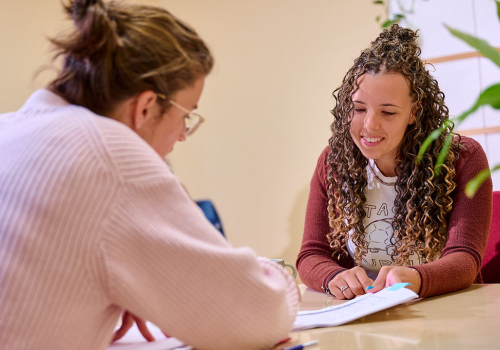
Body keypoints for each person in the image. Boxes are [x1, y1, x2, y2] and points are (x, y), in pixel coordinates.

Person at [0, 1, 300, 349]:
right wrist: (280, 274)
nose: (183, 134)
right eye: (186, 114)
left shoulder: (8, 129)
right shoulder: (112, 156)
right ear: (145, 107)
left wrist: (121, 288)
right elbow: (256, 318)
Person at [296, 24, 492, 300]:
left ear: (414, 112)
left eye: (388, 112)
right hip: (368, 314)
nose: (369, 125)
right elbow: (311, 254)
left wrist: (417, 278)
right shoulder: (333, 162)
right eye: (359, 108)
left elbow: (465, 259)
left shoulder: (461, 158)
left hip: (442, 309)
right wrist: (334, 277)